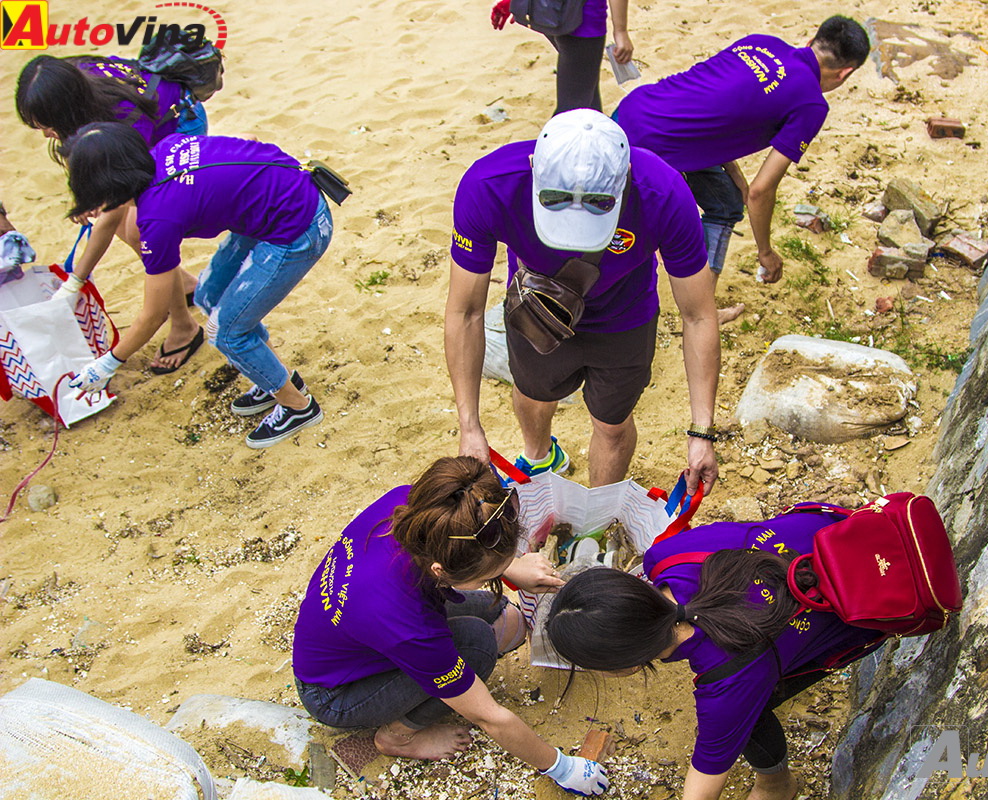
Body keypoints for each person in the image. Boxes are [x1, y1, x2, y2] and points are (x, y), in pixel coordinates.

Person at [292, 456, 608, 796]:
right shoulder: (408, 625)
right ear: (441, 571)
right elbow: (490, 718)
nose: (496, 578)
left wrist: (510, 566)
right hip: (336, 692)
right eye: (489, 575)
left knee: (500, 613)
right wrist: (562, 767)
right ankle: (398, 736)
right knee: (477, 646)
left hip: (360, 628)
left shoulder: (419, 506)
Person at [444, 108, 719, 493]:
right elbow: (467, 311)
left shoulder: (665, 194)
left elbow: (700, 316)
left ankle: (593, 518)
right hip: (539, 307)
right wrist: (470, 427)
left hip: (625, 316)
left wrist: (701, 431)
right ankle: (539, 456)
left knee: (612, 422)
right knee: (532, 391)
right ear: (533, 168)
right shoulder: (490, 185)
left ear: (624, 181)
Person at [545, 506, 885, 800]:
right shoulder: (666, 555)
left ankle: (775, 785)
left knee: (752, 711)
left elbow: (703, 787)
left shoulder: (726, 683)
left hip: (873, 608)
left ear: (626, 666)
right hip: (857, 532)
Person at [62, 122, 332, 449]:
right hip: (279, 202)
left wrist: (108, 363)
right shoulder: (165, 148)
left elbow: (154, 314)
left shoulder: (157, 220)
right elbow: (247, 138)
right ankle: (276, 376)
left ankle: (298, 407)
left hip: (299, 228)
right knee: (207, 295)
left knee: (227, 332)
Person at [613, 16, 870, 321]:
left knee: (727, 201)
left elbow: (715, 107)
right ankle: (701, 314)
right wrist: (765, 252)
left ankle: (703, 303)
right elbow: (762, 191)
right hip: (648, 149)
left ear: (811, 41)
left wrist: (736, 175)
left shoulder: (762, 42)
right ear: (845, 73)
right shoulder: (811, 105)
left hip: (634, 109)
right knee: (621, 236)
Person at [16, 54, 211, 373]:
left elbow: (117, 202)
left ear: (64, 111)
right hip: (137, 132)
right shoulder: (72, 79)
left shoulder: (121, 118)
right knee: (125, 223)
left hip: (179, 124)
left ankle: (184, 328)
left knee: (139, 229)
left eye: (47, 125)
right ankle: (183, 285)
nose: (45, 133)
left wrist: (74, 281)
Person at [490, 0, 633, 114]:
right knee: (572, 111)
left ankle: (597, 143)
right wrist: (620, 31)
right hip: (582, 22)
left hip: (548, 11)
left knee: (584, 90)